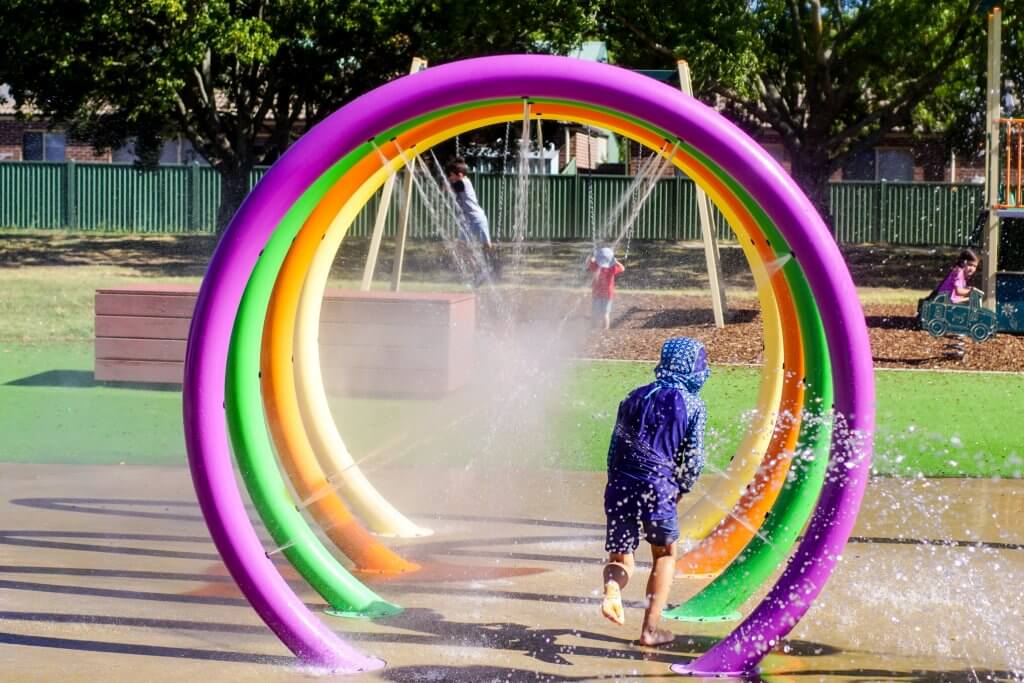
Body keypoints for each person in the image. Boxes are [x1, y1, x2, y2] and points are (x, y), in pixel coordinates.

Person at [600, 337, 709, 647]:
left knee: (622, 557)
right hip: (657, 486)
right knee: (664, 555)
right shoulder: (692, 404)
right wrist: (682, 488)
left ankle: (612, 588)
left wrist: (615, 483)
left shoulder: (632, 396)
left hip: (620, 483)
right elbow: (694, 457)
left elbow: (613, 450)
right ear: (691, 367)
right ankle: (649, 631)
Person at [445, 157, 494, 287]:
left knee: (487, 245)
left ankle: (489, 266)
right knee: (461, 247)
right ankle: (478, 270)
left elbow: (454, 187)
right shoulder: (461, 182)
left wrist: (446, 185)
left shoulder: (463, 182)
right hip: (468, 221)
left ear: (459, 175)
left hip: (477, 218)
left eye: (451, 176)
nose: (450, 178)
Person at [588, 246, 625, 330]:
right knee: (605, 313)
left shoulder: (596, 267)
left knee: (595, 312)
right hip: (608, 294)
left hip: (597, 293)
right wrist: (616, 261)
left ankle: (593, 327)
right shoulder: (612, 268)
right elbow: (623, 268)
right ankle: (605, 329)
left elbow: (589, 263)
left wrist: (593, 258)